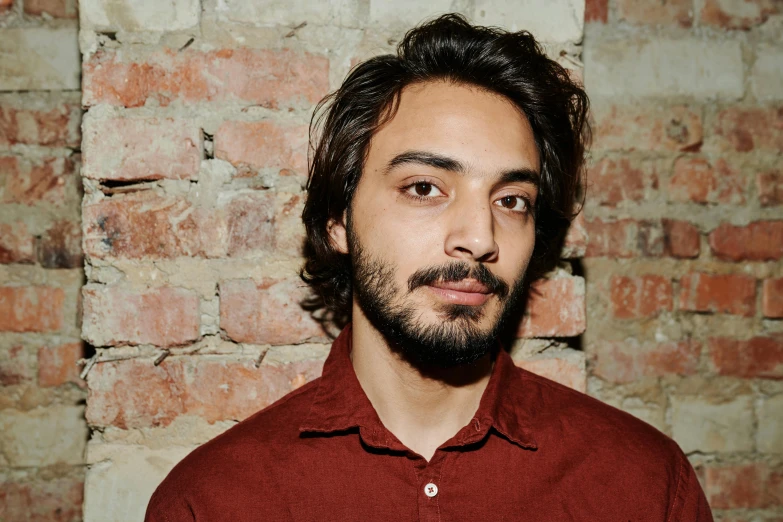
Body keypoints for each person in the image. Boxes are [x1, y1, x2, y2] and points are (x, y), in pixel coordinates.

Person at [146, 14, 713, 521]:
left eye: (511, 199)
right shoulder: (215, 501)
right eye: (424, 188)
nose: (478, 238)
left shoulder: (641, 486)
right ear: (338, 220)